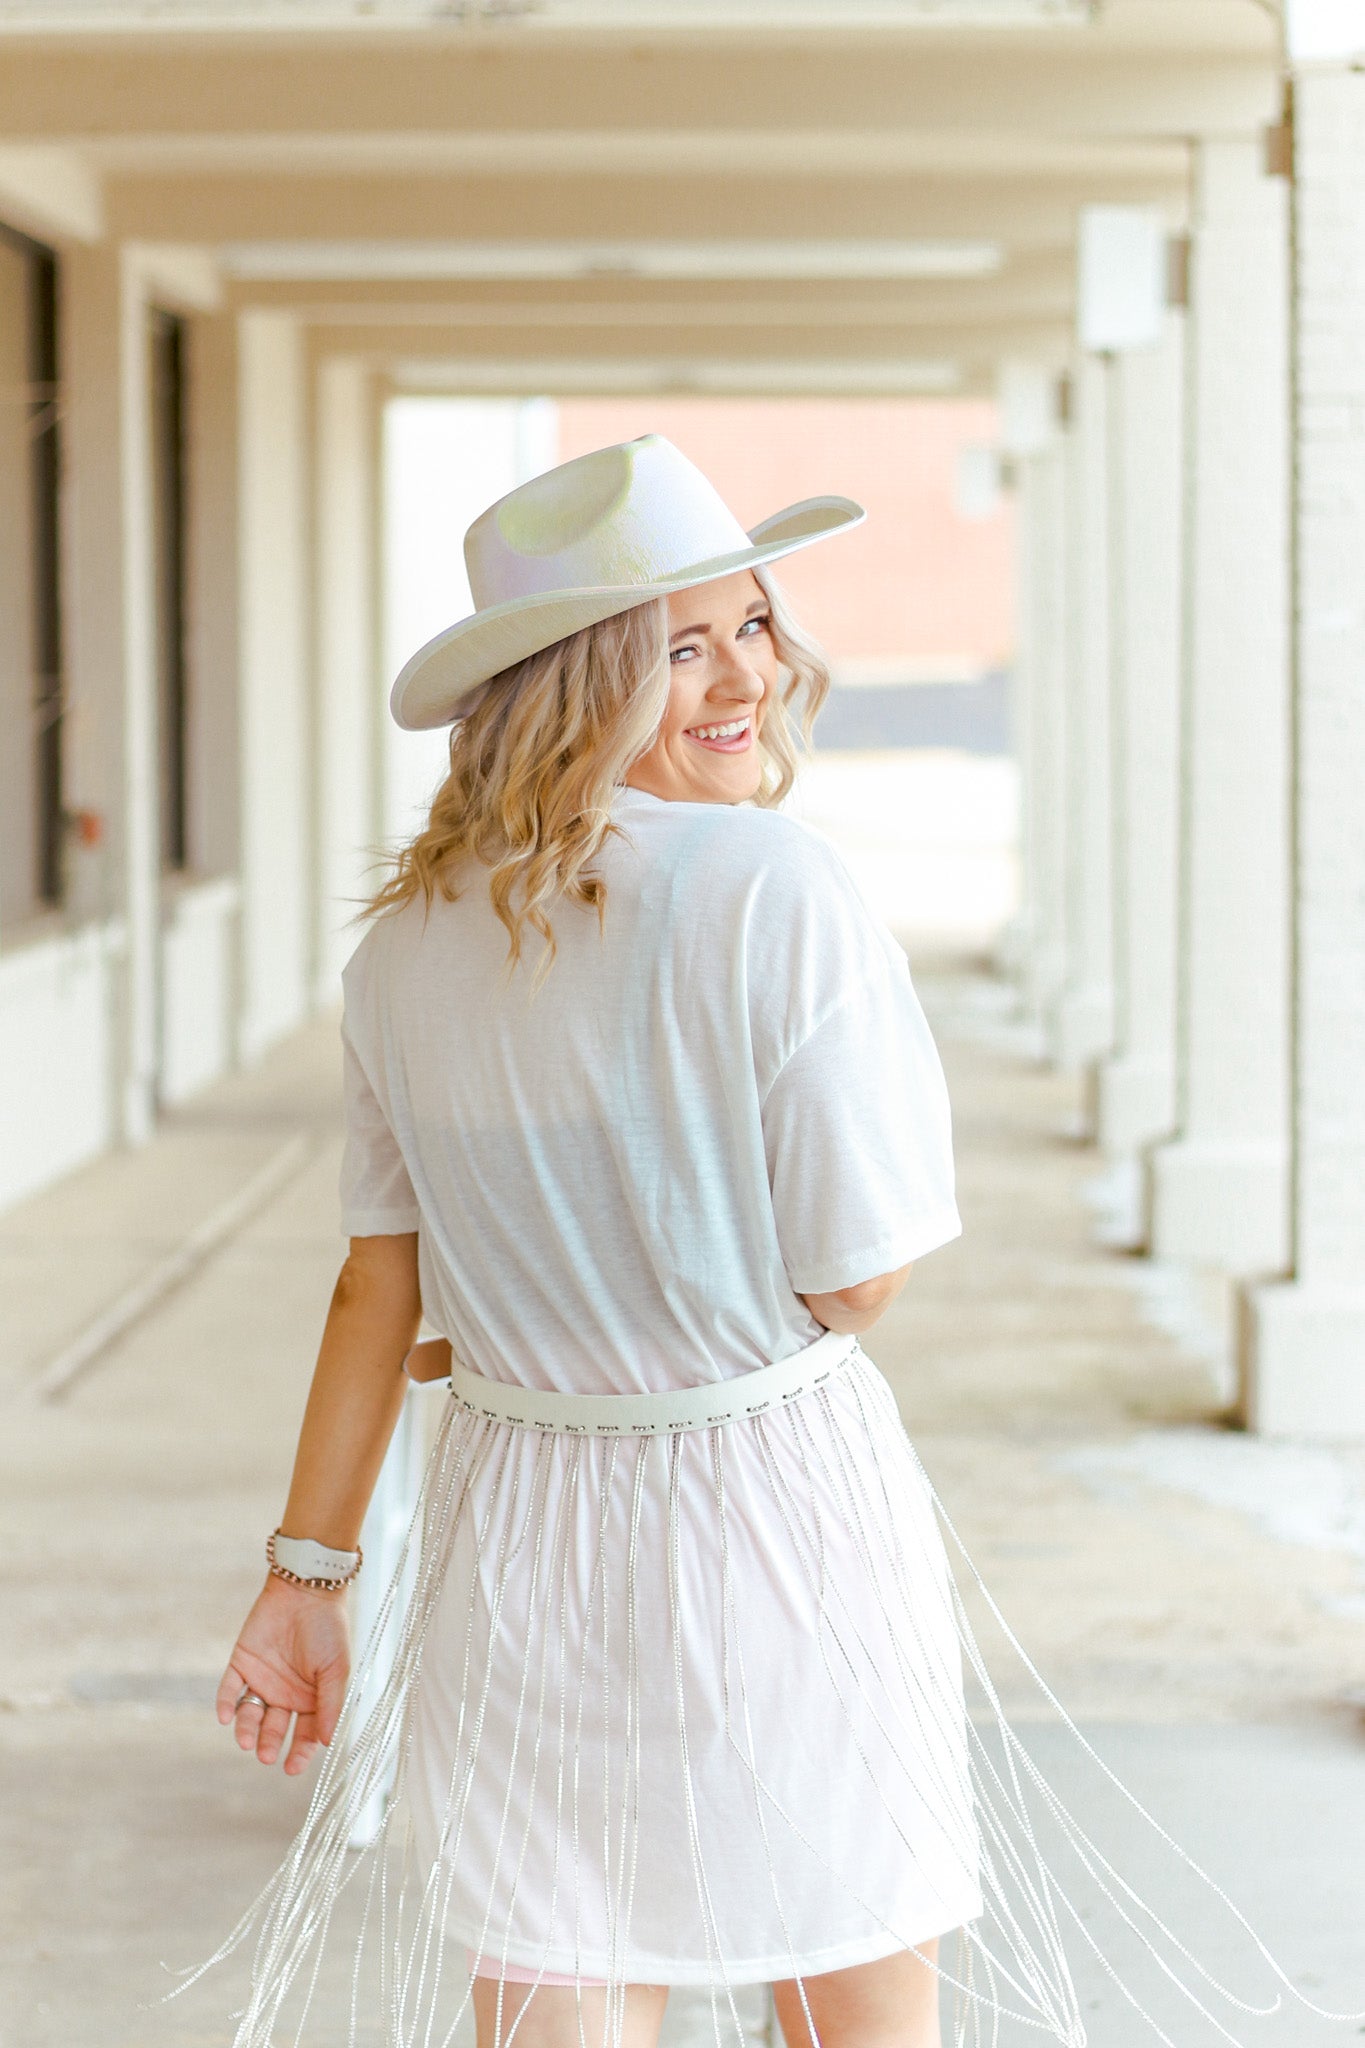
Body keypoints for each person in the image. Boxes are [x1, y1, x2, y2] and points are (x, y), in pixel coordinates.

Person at [196, 437, 1353, 2048]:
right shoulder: (774, 884)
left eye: (750, 625)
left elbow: (382, 1285)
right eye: (678, 647)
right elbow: (852, 1275)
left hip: (513, 1511)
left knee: (561, 1971)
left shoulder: (402, 946)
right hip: (766, 1495)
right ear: (572, 686)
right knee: (846, 1961)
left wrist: (304, 1577)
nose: (744, 676)